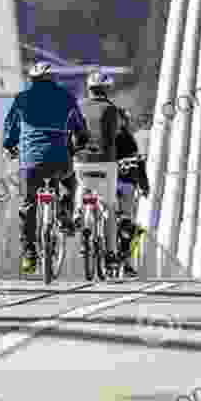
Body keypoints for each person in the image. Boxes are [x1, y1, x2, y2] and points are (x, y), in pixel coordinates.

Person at [3, 61, 88, 275]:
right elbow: (80, 128)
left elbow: (10, 129)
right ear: (53, 79)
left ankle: (29, 255)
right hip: (60, 160)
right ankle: (65, 214)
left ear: (31, 79)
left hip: (30, 163)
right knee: (69, 179)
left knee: (28, 204)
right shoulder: (67, 98)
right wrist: (80, 143)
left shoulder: (21, 99)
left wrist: (9, 145)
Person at [73, 70, 121, 271]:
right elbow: (113, 136)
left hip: (81, 160)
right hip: (105, 162)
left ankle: (77, 211)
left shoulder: (78, 107)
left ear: (89, 89)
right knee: (109, 205)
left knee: (82, 186)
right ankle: (110, 252)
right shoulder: (111, 109)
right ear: (106, 89)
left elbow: (73, 134)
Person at [115, 109, 150, 276]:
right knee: (130, 223)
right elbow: (139, 163)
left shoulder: (101, 136)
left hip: (101, 184)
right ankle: (127, 262)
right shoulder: (128, 138)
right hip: (125, 184)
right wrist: (144, 186)